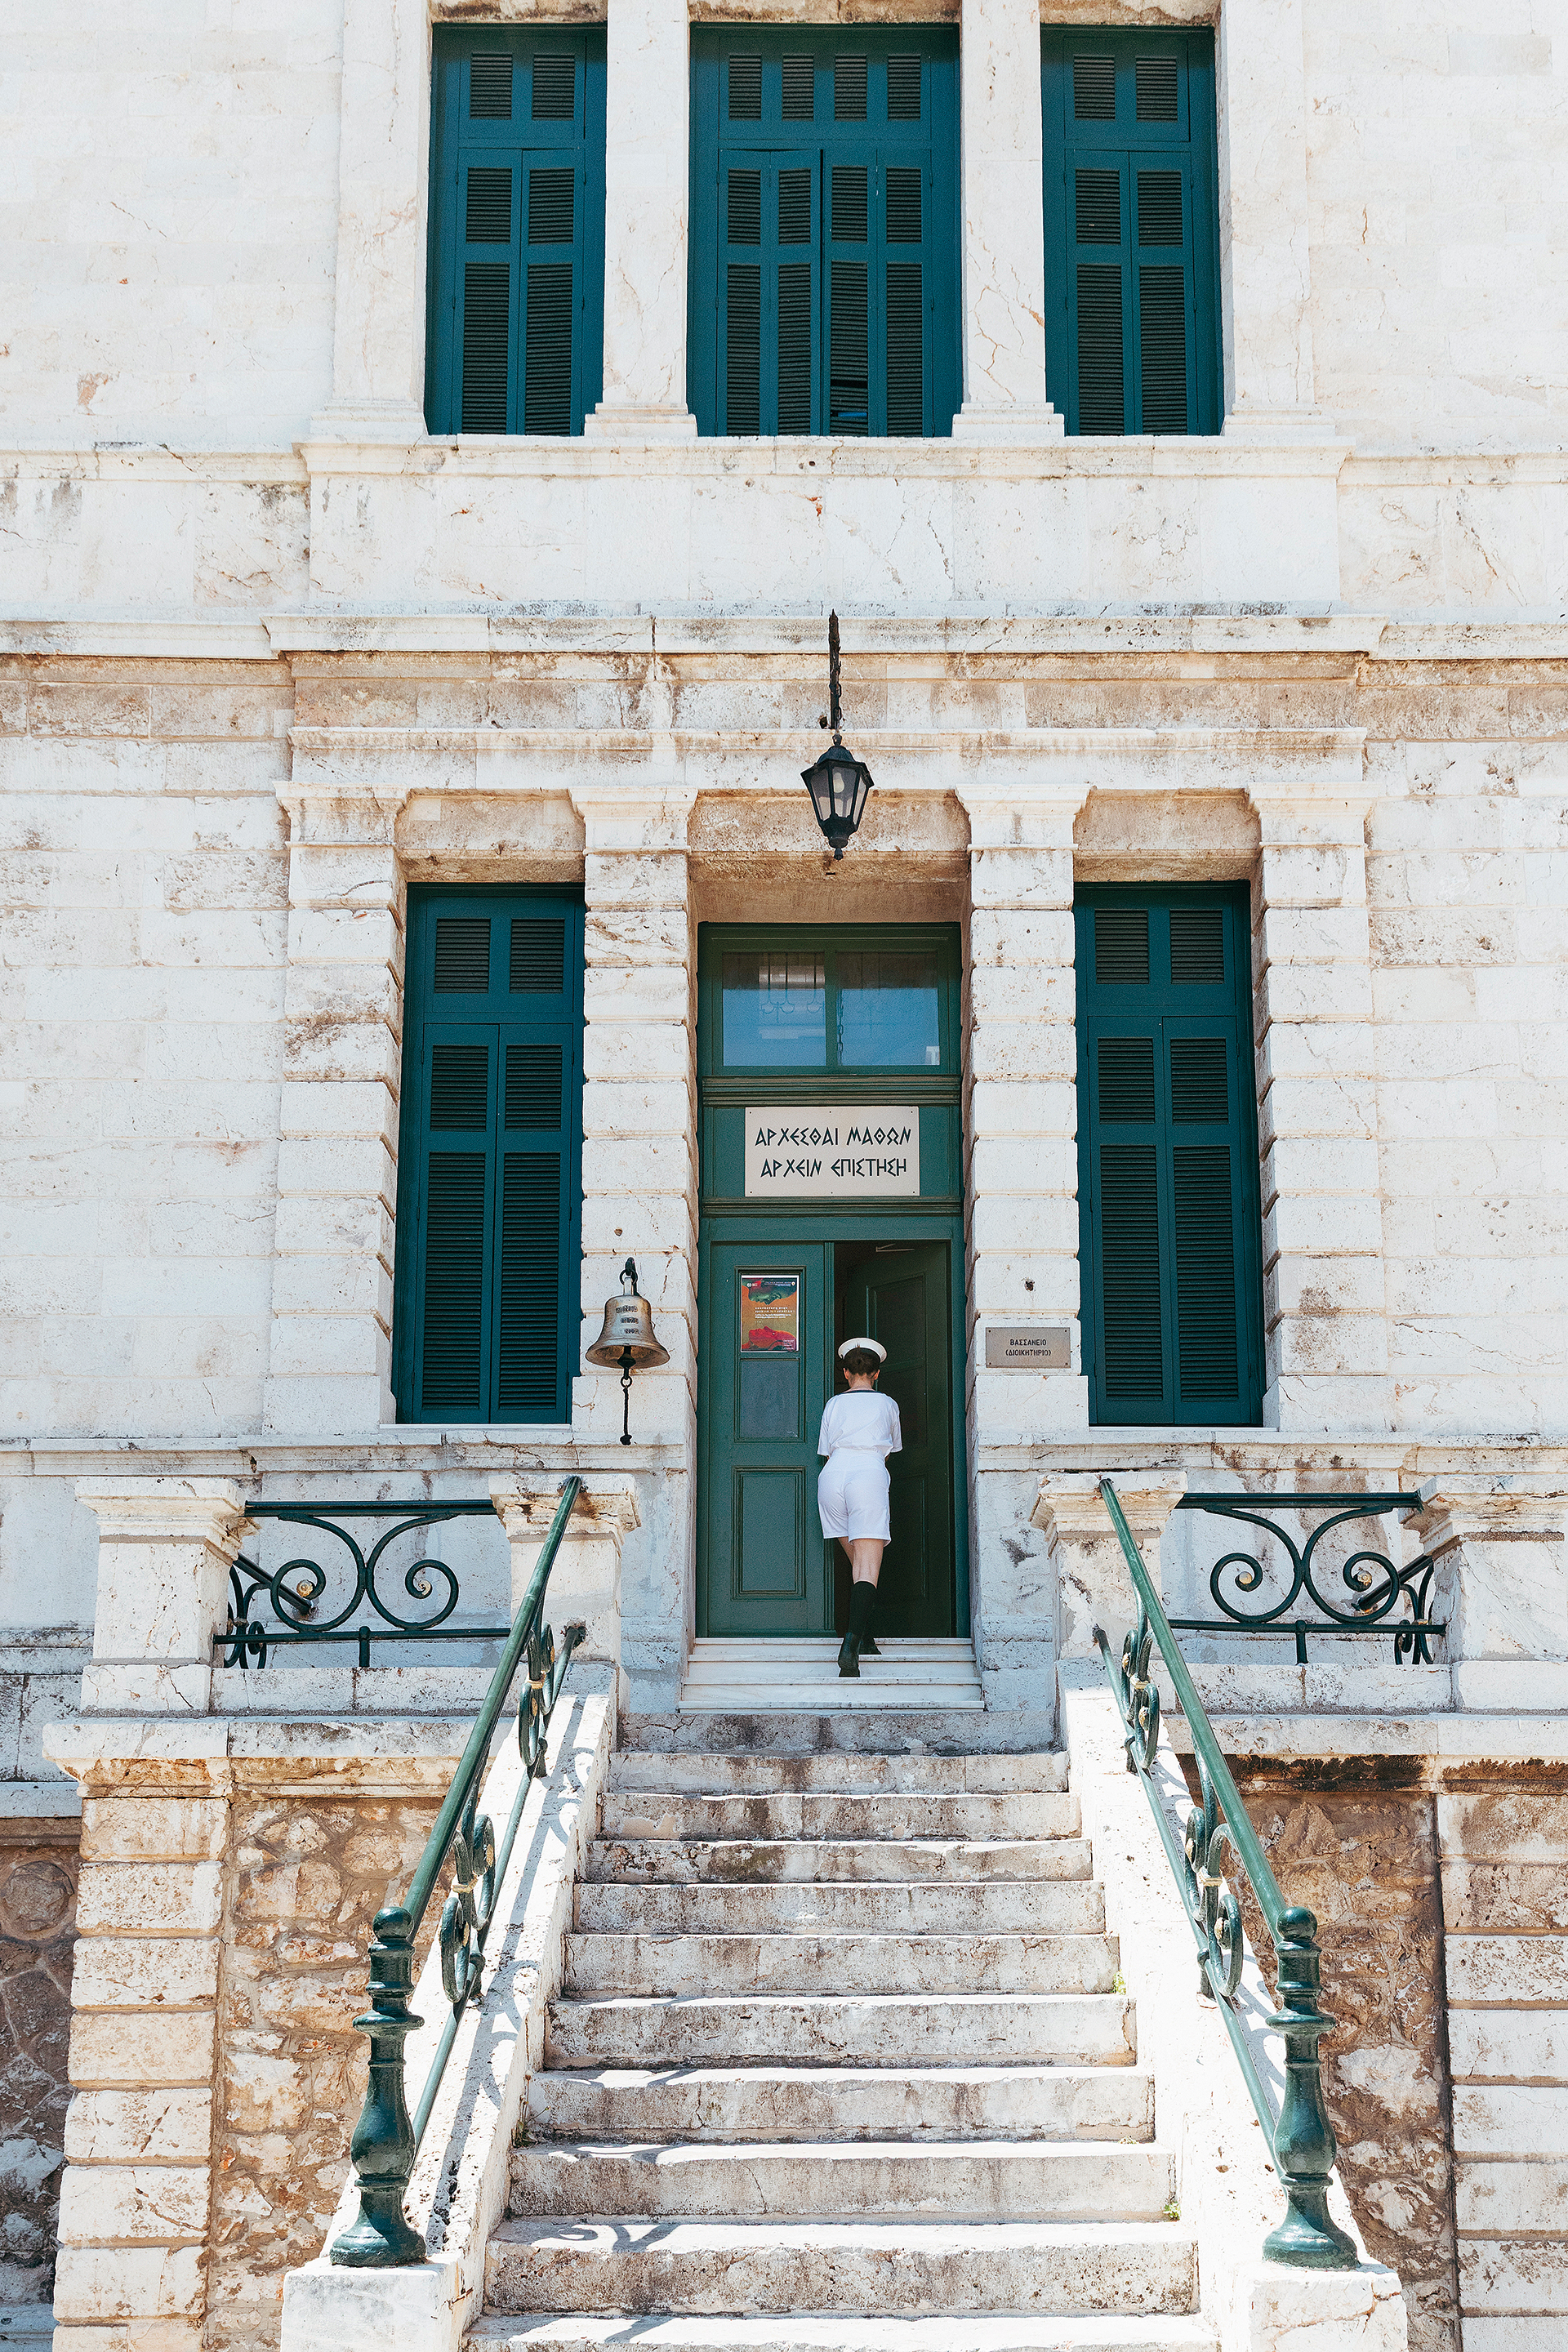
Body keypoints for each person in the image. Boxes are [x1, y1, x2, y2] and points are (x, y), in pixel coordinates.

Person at [817, 1336, 902, 1677]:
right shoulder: (887, 1404)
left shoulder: (834, 1404)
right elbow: (892, 1447)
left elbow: (825, 1448)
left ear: (846, 1372)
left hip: (832, 1476)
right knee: (868, 1567)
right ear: (876, 1373)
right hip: (867, 1473)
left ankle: (866, 1636)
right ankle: (850, 1647)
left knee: (858, 1562)